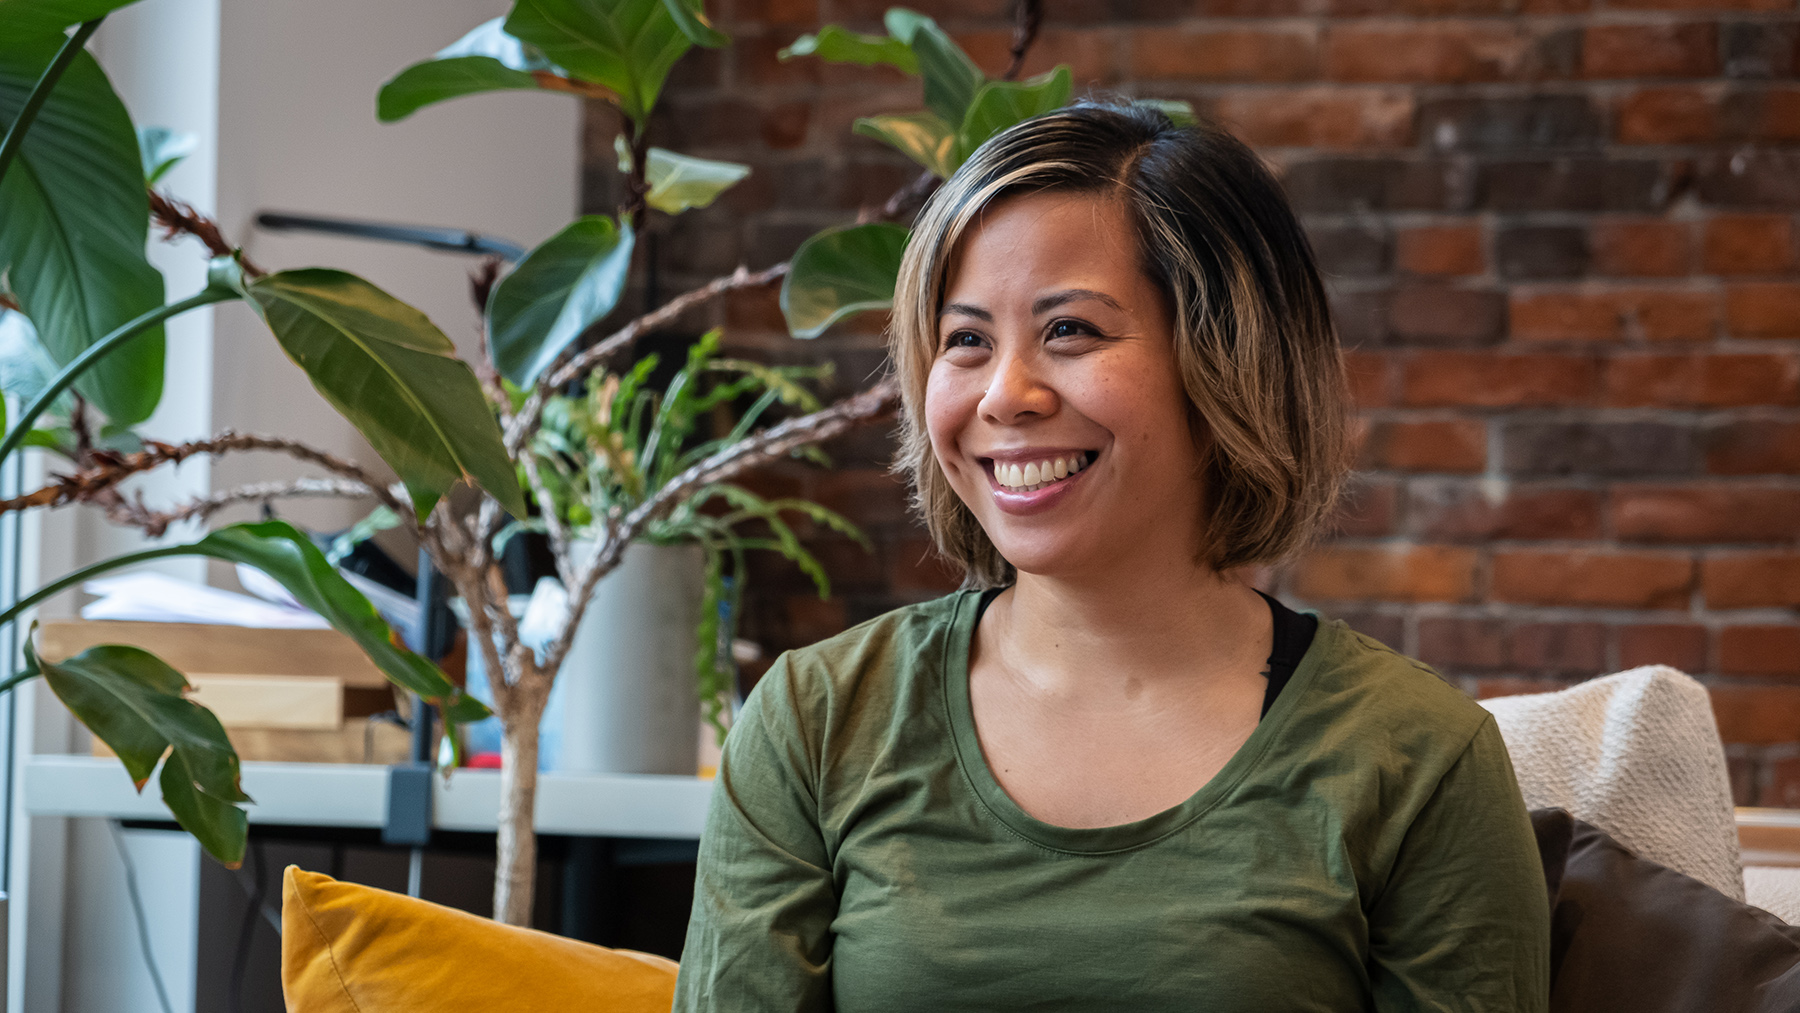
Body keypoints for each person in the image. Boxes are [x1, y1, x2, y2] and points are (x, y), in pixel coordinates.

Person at [672, 101, 1550, 1012]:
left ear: (1224, 360)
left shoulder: (1419, 760)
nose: (1005, 395)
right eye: (966, 340)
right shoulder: (814, 723)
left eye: (1070, 331)